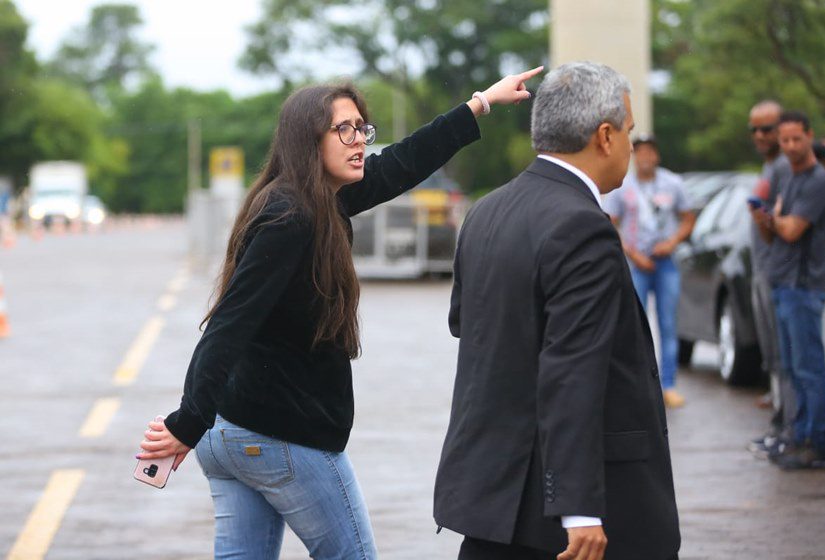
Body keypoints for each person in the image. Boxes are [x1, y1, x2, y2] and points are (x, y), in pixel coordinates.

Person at [135, 68, 542, 559]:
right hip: (279, 436)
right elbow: (229, 322)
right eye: (344, 129)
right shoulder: (293, 218)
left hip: (232, 434)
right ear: (308, 139)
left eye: (361, 129)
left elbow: (400, 164)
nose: (359, 141)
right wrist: (187, 419)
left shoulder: (316, 200)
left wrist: (481, 103)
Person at [434, 62, 680, 560]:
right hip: (571, 522)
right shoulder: (582, 225)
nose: (631, 148)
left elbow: (467, 324)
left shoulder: (486, 211)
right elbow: (574, 370)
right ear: (605, 136)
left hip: (491, 498)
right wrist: (580, 510)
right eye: (629, 134)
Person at [752, 111, 825, 471]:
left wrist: (773, 219)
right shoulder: (789, 177)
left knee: (808, 369)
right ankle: (797, 436)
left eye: (795, 139)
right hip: (783, 285)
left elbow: (791, 230)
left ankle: (817, 445)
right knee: (791, 368)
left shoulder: (819, 180)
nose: (789, 147)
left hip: (803, 288)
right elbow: (774, 229)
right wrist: (769, 219)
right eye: (784, 140)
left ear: (809, 135)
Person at [602, 135, 695, 408]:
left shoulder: (672, 183)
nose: (644, 158)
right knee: (635, 325)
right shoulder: (623, 187)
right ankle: (639, 385)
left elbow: (688, 218)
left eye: (649, 153)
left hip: (665, 262)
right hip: (637, 263)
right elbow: (611, 222)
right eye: (639, 152)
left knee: (668, 323)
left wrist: (672, 242)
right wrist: (631, 254)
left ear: (656, 156)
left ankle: (669, 385)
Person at [743, 100, 797, 459]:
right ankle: (781, 426)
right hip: (762, 272)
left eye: (768, 128)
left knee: (785, 357)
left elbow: (783, 223)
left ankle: (789, 431)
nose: (761, 135)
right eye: (755, 129)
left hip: (780, 276)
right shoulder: (770, 166)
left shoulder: (786, 167)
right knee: (774, 357)